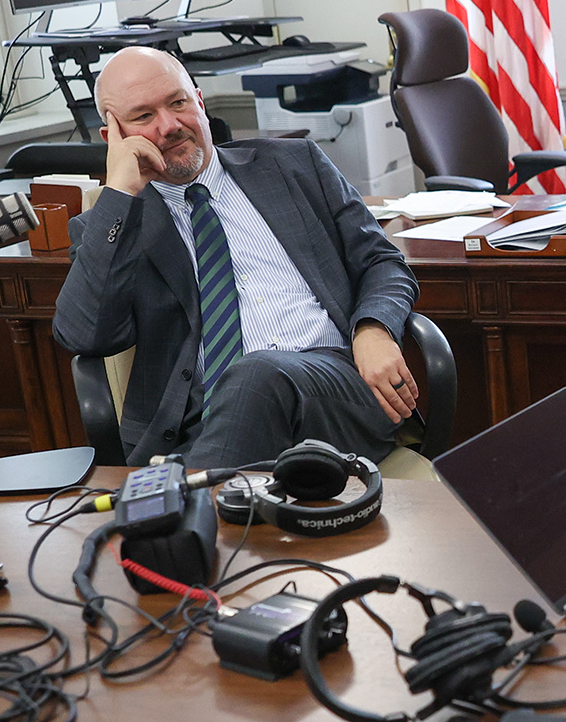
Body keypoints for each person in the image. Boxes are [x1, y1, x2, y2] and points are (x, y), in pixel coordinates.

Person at [53, 46, 420, 469]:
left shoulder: (294, 165)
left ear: (200, 102)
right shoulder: (111, 225)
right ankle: (192, 511)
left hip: (333, 392)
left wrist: (373, 330)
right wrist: (120, 191)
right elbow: (85, 336)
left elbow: (383, 261)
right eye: (143, 117)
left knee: (257, 373)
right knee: (252, 383)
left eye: (178, 103)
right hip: (197, 427)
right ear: (113, 138)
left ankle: (171, 519)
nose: (170, 126)